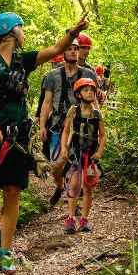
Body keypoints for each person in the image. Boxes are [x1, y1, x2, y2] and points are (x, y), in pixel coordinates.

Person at [0, 12, 88, 274]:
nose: (24, 34)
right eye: (21, 29)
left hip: (17, 136)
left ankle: (5, 250)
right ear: (11, 32)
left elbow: (57, 49)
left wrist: (74, 30)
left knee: (12, 191)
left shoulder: (23, 61)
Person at [39, 40, 97, 206]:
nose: (73, 52)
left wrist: (98, 121)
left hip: (82, 128)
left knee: (77, 165)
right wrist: (42, 125)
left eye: (76, 49)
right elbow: (47, 102)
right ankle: (59, 186)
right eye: (69, 49)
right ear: (63, 52)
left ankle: (75, 202)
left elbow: (94, 100)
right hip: (58, 126)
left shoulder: (88, 74)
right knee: (56, 165)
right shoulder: (52, 76)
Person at [56, 77, 106, 234]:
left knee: (88, 187)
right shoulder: (73, 111)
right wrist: (64, 149)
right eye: (86, 90)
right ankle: (70, 218)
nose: (90, 92)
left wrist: (99, 152)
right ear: (79, 94)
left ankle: (84, 219)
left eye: (92, 90)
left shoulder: (97, 114)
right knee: (74, 185)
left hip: (91, 156)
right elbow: (65, 130)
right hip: (75, 154)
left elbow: (103, 135)